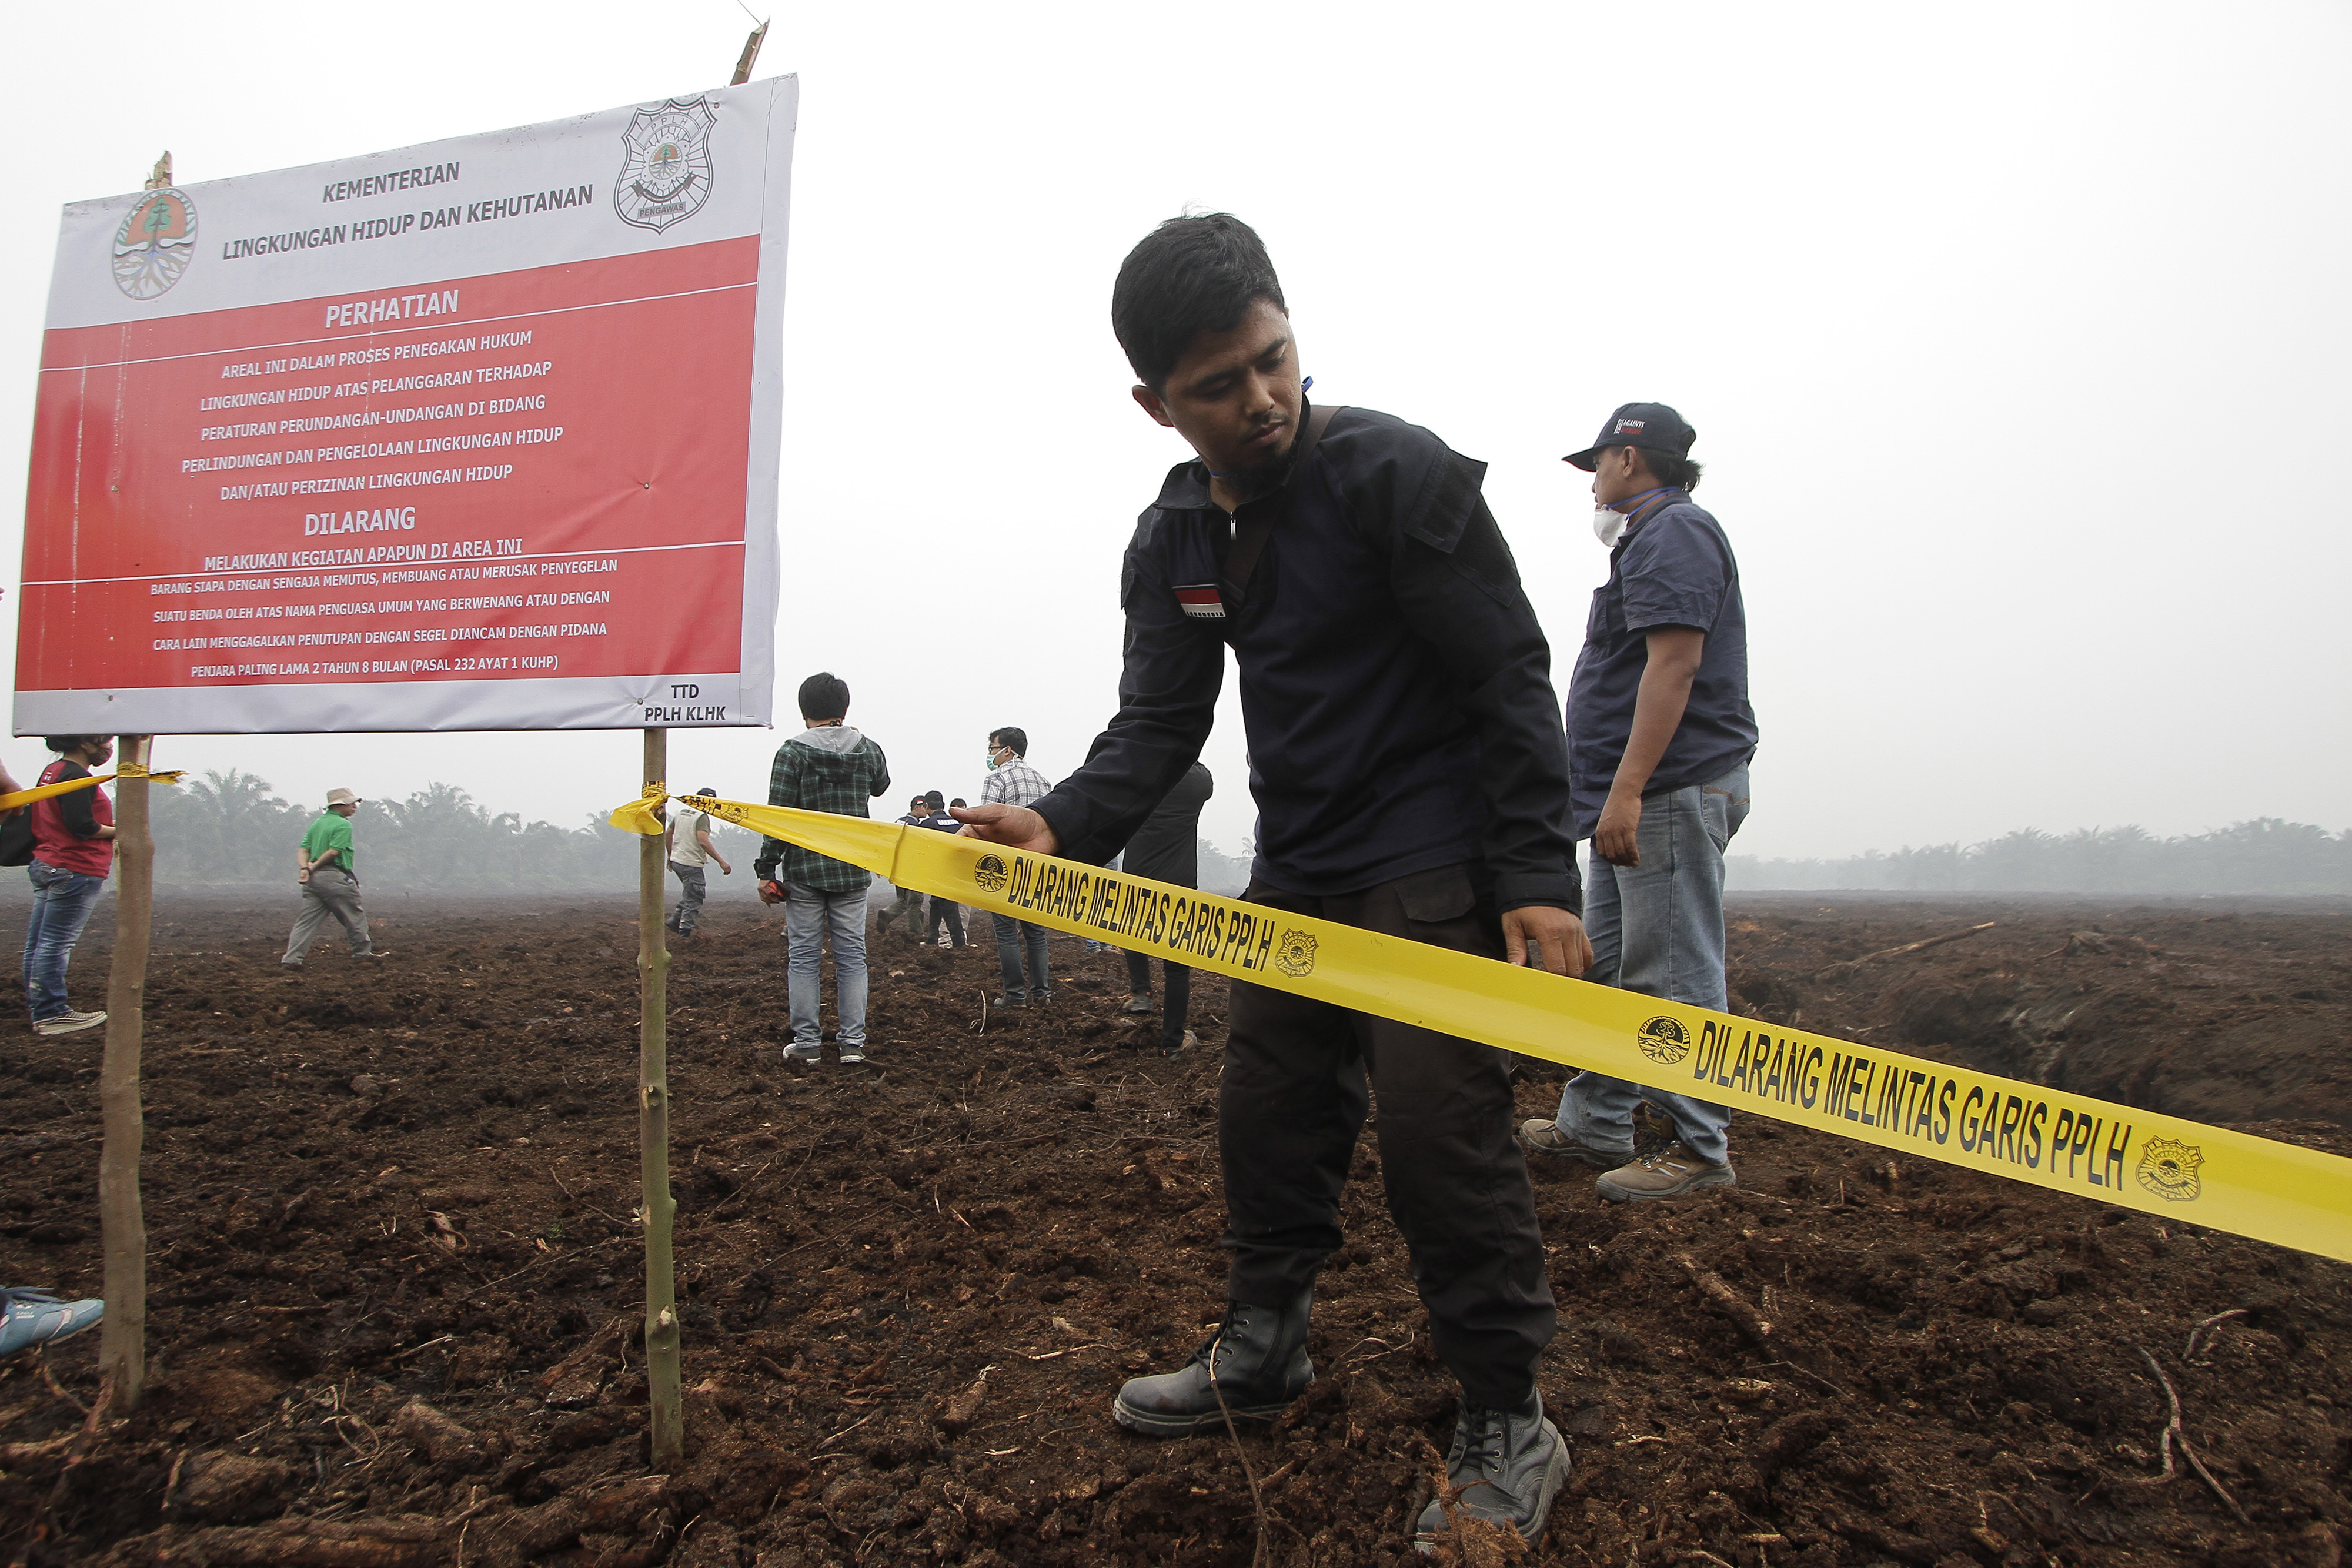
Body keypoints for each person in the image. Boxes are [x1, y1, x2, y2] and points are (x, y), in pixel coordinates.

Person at [956, 215, 1589, 1553]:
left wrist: (1536, 875)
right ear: (1153, 404)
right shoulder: (1177, 538)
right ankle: (1264, 1348)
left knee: (1439, 1142)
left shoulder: (1395, 475)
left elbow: (1507, 673)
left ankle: (1505, 1414)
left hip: (1430, 861)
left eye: (1273, 360)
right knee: (1266, 1112)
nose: (1259, 400)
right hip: (1299, 868)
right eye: (1217, 385)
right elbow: (1156, 727)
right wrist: (1057, 825)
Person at [1521, 404, 1757, 1203]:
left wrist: (1626, 789)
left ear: (1629, 458)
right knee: (1610, 968)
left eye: (1600, 462)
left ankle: (1692, 1146)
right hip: (1630, 796)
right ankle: (1597, 1122)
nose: (1593, 479)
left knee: (1673, 973)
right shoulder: (1648, 541)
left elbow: (1674, 667)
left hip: (1663, 789)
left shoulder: (1674, 534)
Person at [754, 673, 891, 1065]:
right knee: (852, 958)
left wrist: (766, 869)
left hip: (805, 872)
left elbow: (778, 816)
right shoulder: (868, 749)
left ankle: (809, 1044)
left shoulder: (791, 753)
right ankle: (852, 1044)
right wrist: (864, 745)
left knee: (803, 958)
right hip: (852, 870)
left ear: (804, 710)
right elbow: (881, 785)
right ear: (844, 709)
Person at [1116, 761, 1214, 1056]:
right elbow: (1205, 781)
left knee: (1132, 932)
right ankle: (1173, 1042)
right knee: (1176, 967)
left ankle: (1142, 993)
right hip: (1179, 880)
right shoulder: (1198, 780)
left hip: (1137, 872)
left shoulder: (1137, 771)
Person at [24, 736, 120, 1035]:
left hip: (48, 862)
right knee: (55, 944)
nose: (110, 748)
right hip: (74, 867)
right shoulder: (78, 777)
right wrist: (123, 831)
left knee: (38, 943)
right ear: (87, 744)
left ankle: (40, 1009)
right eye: (106, 741)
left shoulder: (52, 771)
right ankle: (51, 1013)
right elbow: (82, 826)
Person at [978, 728, 1053, 1006]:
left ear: (1007, 750)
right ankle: (1042, 995)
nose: (989, 754)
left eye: (991, 748)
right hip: (1037, 865)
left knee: (1006, 931)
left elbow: (986, 822)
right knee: (1036, 933)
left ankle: (1014, 995)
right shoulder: (1043, 781)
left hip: (1006, 864)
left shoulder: (996, 778)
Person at [282, 787, 389, 969]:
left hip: (313, 881)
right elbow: (333, 851)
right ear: (340, 805)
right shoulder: (343, 825)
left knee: (306, 921)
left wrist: (305, 869)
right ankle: (362, 954)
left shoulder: (317, 824)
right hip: (334, 877)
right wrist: (314, 866)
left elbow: (303, 850)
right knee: (354, 915)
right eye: (351, 803)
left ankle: (291, 959)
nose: (355, 806)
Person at [664, 788, 732, 941]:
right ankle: (685, 931)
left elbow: (668, 834)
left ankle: (675, 920)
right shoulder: (701, 817)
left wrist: (671, 854)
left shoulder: (682, 813)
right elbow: (703, 841)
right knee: (695, 896)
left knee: (691, 892)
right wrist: (722, 862)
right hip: (691, 863)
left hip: (678, 861)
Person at [913, 791, 968, 948]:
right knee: (936, 903)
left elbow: (921, 850)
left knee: (949, 908)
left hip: (939, 872)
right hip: (958, 870)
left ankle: (959, 944)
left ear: (927, 806)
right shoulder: (958, 823)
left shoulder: (927, 825)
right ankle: (932, 938)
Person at [877, 795, 932, 942]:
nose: (927, 811)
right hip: (912, 870)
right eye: (925, 807)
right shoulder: (915, 827)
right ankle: (917, 933)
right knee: (915, 901)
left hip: (898, 868)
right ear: (917, 807)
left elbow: (888, 843)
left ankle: (887, 914)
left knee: (902, 899)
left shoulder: (898, 822)